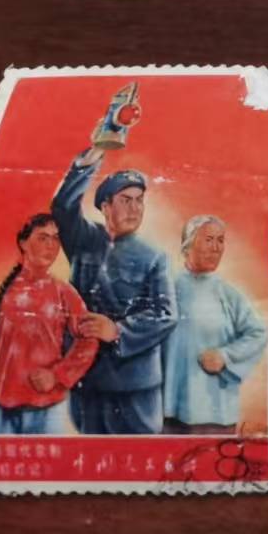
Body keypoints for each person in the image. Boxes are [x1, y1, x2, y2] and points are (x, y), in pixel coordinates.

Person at [52, 145, 178, 434]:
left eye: (139, 201)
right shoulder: (84, 241)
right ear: (105, 206)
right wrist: (92, 156)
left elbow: (166, 313)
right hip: (87, 381)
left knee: (139, 456)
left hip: (134, 387)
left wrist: (118, 330)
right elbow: (62, 207)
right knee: (90, 455)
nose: (135, 208)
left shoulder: (154, 256)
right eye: (125, 200)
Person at [0, 213, 98, 434]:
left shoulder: (64, 292)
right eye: (42, 238)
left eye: (55, 238)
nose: (51, 246)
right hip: (3, 405)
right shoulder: (3, 289)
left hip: (47, 407)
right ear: (23, 243)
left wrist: (57, 375)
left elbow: (90, 338)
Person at [162, 216, 268, 434]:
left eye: (220, 240)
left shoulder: (228, 294)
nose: (216, 248)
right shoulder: (165, 289)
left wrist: (225, 355)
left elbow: (259, 334)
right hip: (166, 412)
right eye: (209, 240)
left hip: (215, 414)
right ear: (187, 245)